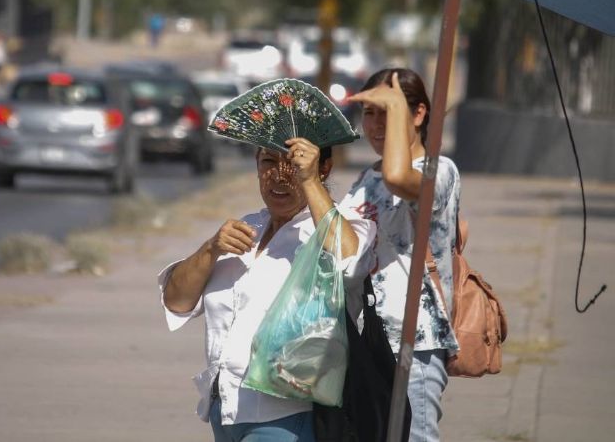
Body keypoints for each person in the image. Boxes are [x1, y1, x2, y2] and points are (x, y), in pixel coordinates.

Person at [158, 136, 375, 441]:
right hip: (227, 412)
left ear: (324, 167)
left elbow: (351, 260)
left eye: (293, 164)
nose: (280, 175)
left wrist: (309, 180)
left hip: (287, 416)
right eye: (269, 162)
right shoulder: (246, 229)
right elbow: (176, 301)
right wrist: (210, 249)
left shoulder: (339, 226)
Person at [342, 68, 461, 442]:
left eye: (388, 112)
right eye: (370, 113)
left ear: (419, 114)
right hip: (367, 339)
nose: (376, 125)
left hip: (415, 340)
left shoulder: (438, 171)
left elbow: (399, 178)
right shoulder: (366, 178)